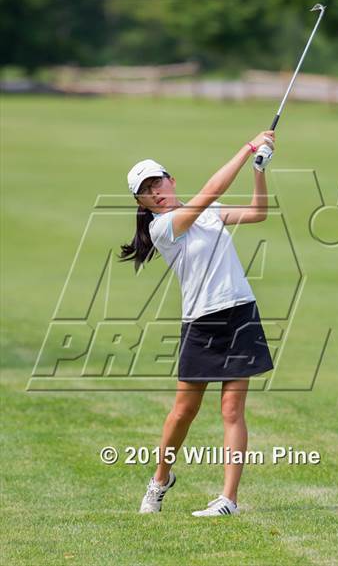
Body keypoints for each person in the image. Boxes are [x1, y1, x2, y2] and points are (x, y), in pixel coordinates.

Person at [119, 131, 275, 517]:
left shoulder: (208, 212)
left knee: (232, 412)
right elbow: (208, 191)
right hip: (202, 324)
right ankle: (160, 480)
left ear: (171, 181)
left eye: (158, 182)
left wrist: (259, 169)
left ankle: (229, 500)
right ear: (140, 201)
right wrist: (247, 147)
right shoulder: (164, 227)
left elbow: (258, 213)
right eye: (146, 190)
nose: (155, 192)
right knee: (182, 412)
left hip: (239, 313)